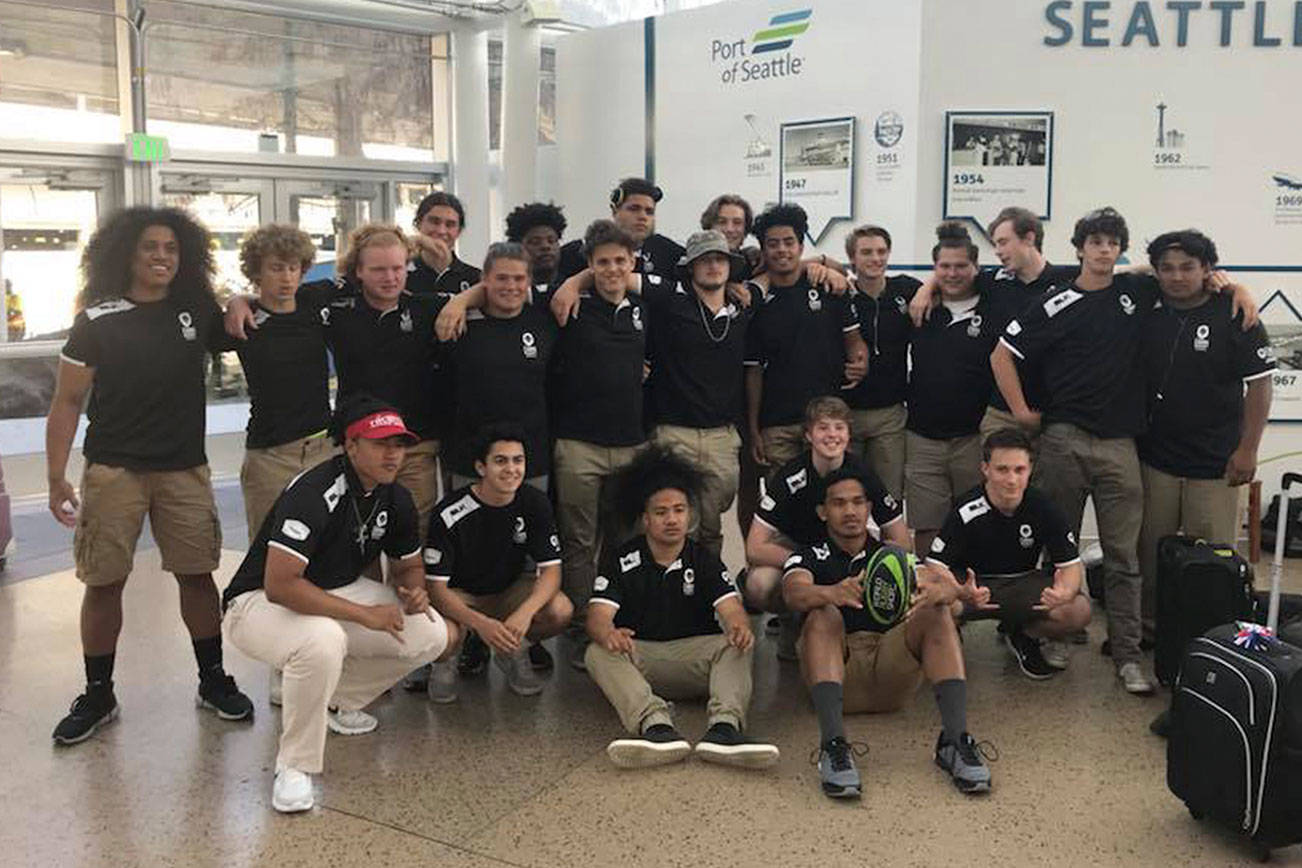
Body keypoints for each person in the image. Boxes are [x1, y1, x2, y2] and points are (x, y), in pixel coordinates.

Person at [991, 207, 1259, 695]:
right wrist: (1022, 413)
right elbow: (1002, 355)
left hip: (1120, 446)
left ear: (1120, 249)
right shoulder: (1055, 302)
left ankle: (1129, 654)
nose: (1103, 250)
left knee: (1125, 556)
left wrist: (1231, 285)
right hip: (1064, 441)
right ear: (1079, 248)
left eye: (1112, 243)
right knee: (1060, 548)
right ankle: (1057, 635)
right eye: (1094, 242)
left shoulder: (1137, 291)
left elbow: (1188, 277)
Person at [47, 206, 253, 745]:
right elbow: (66, 401)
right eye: (150, 247)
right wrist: (55, 476)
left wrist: (236, 298)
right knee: (103, 582)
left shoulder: (194, 311)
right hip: (114, 471)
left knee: (197, 575)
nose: (162, 256)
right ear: (127, 254)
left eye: (171, 248)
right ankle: (98, 694)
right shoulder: (97, 320)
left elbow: (241, 320)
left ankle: (213, 679)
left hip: (183, 470)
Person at [221, 395, 454, 813]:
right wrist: (365, 615)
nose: (393, 454)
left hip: (333, 591)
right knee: (321, 640)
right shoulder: (314, 490)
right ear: (350, 445)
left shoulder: (395, 497)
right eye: (381, 443)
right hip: (255, 603)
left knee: (431, 633)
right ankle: (294, 767)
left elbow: (409, 566)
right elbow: (280, 585)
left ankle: (334, 700)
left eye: (400, 444)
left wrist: (413, 590)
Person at [783, 467, 993, 799]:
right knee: (822, 614)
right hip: (840, 672)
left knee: (936, 611)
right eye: (839, 503)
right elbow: (793, 592)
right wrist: (832, 593)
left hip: (890, 670)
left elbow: (936, 586)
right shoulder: (807, 555)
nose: (850, 511)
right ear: (822, 511)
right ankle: (833, 747)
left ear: (869, 508)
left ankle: (954, 742)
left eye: (858, 502)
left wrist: (952, 592)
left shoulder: (894, 556)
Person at [227, 224, 447, 535]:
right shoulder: (331, 307)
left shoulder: (424, 307)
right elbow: (270, 301)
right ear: (359, 272)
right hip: (337, 447)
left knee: (408, 535)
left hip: (403, 445)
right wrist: (238, 301)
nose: (390, 277)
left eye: (397, 268)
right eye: (378, 269)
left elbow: (485, 290)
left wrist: (462, 300)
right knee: (348, 539)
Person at [585, 445, 779, 769]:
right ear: (646, 520)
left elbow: (731, 608)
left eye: (679, 510)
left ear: (689, 515)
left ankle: (724, 729)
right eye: (661, 512)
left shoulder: (703, 559)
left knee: (738, 645)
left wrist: (739, 626)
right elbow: (597, 617)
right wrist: (609, 634)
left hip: (696, 661)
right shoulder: (622, 560)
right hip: (641, 660)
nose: (672, 519)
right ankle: (656, 727)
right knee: (596, 652)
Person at [1136, 230, 1274, 644]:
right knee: (1150, 556)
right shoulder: (1145, 304)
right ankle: (1151, 631)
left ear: (1207, 269)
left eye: (1188, 268)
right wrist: (1228, 281)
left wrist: (1248, 450)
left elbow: (1260, 386)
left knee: (1213, 561)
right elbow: (1116, 273)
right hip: (1155, 460)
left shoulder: (1235, 313)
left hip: (1216, 463)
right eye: (1167, 268)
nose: (1177, 277)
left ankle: (1210, 639)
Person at [550, 220, 650, 667]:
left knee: (626, 539)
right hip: (579, 445)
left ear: (632, 264)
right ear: (589, 265)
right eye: (603, 262)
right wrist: (574, 283)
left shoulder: (643, 309)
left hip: (630, 444)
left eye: (620, 261)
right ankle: (579, 629)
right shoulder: (570, 306)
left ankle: (617, 619)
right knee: (579, 542)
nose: (612, 269)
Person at [743, 397, 908, 659]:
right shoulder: (790, 476)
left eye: (839, 427)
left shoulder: (864, 474)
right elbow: (754, 548)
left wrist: (872, 565)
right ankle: (792, 622)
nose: (832, 435)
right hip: (801, 550)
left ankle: (866, 624)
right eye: (823, 428)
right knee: (758, 583)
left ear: (849, 434)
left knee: (895, 566)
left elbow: (902, 542)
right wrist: (808, 562)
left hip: (850, 552)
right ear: (808, 435)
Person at [927, 428, 1092, 679]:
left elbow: (1070, 565)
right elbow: (935, 565)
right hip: (973, 589)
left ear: (1030, 469)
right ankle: (951, 638)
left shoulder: (1044, 507)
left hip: (1022, 584)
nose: (1012, 480)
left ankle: (1024, 635)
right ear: (985, 469)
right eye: (1002, 470)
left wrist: (1063, 592)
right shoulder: (966, 510)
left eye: (1019, 470)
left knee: (1078, 609)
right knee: (933, 606)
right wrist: (959, 590)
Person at [423, 424, 571, 700]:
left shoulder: (535, 502)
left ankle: (513, 650)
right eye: (500, 461)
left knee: (560, 610)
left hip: (507, 590)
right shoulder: (449, 513)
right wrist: (481, 624)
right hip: (460, 596)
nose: (511, 469)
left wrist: (524, 614)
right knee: (444, 633)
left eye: (518, 460)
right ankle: (445, 661)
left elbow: (551, 570)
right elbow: (436, 590)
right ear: (481, 468)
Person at [909, 207, 1079, 443]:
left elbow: (1113, 273)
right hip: (1002, 412)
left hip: (1054, 413)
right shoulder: (994, 282)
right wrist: (925, 289)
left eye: (1003, 242)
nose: (998, 251)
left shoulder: (1068, 281)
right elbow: (953, 273)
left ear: (1029, 238)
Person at [646, 229, 753, 560]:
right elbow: (619, 277)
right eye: (704, 260)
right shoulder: (670, 301)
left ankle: (708, 584)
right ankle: (676, 587)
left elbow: (781, 274)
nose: (713, 266)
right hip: (675, 433)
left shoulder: (741, 308)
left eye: (720, 259)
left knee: (711, 523)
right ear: (690, 266)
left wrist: (825, 262)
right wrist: (574, 284)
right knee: (680, 524)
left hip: (723, 436)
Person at [744, 203, 867, 469]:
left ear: (801, 247)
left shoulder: (827, 285)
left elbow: (854, 340)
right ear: (764, 251)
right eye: (773, 244)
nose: (782, 250)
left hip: (827, 422)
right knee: (783, 495)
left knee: (831, 492)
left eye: (789, 242)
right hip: (777, 425)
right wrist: (753, 429)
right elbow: (753, 372)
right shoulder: (756, 301)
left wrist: (860, 362)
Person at [233, 224, 336, 539]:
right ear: (257, 272)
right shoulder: (243, 321)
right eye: (276, 268)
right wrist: (236, 301)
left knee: (327, 544)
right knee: (267, 545)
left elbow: (369, 270)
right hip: (270, 455)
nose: (287, 277)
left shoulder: (314, 300)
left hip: (323, 448)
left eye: (293, 268)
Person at [905, 223, 997, 558]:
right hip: (922, 439)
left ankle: (971, 586)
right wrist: (926, 289)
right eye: (944, 266)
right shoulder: (918, 307)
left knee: (978, 522)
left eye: (961, 266)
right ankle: (930, 585)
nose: (952, 273)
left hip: (973, 438)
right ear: (934, 268)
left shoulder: (994, 304)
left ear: (976, 267)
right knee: (928, 525)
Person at [841, 225, 919, 502]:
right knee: (846, 494)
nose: (875, 258)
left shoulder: (907, 290)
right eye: (866, 252)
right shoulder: (840, 294)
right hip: (845, 413)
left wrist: (927, 290)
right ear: (852, 257)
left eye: (881, 251)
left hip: (890, 416)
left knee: (888, 497)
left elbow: (941, 283)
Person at [554, 177, 684, 283]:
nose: (643, 217)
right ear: (614, 211)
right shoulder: (578, 252)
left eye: (649, 212)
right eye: (634, 209)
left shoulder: (668, 253)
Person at [406, 191, 481, 298]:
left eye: (450, 224)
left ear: (459, 231)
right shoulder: (399, 276)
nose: (441, 231)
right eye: (434, 222)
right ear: (418, 223)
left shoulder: (476, 280)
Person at [505, 201, 567, 289]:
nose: (546, 246)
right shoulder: (510, 290)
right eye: (535, 242)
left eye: (551, 241)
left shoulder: (575, 288)